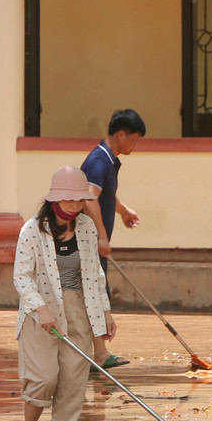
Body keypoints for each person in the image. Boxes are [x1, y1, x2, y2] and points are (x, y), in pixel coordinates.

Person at [14, 166, 116, 421]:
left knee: (73, 382)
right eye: (68, 199)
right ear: (54, 199)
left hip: (79, 309)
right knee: (43, 379)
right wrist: (40, 308)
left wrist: (105, 311)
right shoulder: (32, 230)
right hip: (40, 314)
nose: (74, 205)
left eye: (79, 200)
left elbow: (95, 274)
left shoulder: (86, 227)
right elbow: (21, 277)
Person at [81, 108, 145, 368]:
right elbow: (89, 197)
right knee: (95, 293)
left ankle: (99, 352)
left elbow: (105, 195)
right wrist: (101, 237)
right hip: (88, 243)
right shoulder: (99, 160)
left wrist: (123, 211)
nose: (134, 146)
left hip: (95, 242)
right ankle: (96, 354)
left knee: (96, 292)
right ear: (121, 135)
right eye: (134, 140)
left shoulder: (108, 160)